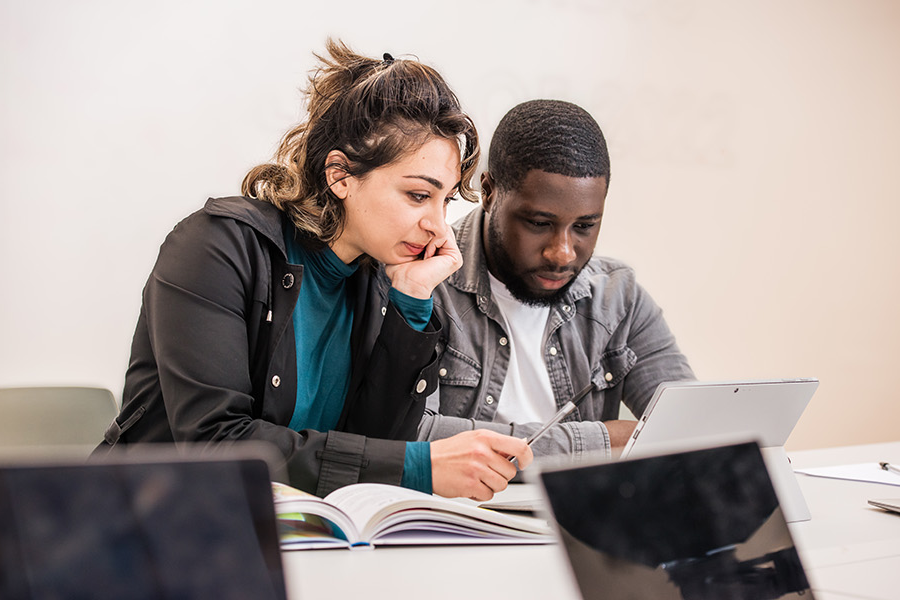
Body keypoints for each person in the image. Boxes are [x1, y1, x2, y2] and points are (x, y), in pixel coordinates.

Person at [95, 40, 530, 500]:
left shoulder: (380, 282)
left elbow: (371, 457)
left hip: (294, 531)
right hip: (151, 520)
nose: (438, 226)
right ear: (340, 175)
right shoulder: (215, 246)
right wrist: (419, 466)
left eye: (445, 201)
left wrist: (411, 302)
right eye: (419, 195)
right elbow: (218, 444)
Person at [416, 100, 694, 460]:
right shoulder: (423, 282)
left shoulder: (618, 299)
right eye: (539, 223)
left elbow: (689, 429)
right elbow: (412, 434)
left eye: (584, 226)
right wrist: (603, 441)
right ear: (488, 192)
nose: (562, 253)